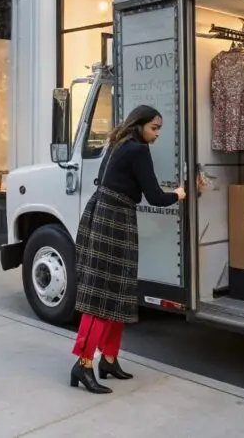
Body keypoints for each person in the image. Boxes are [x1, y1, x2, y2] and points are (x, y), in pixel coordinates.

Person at [69, 105, 186, 394]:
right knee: (101, 295)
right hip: (115, 220)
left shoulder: (119, 142)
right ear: (140, 126)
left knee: (116, 291)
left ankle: (108, 359)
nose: (157, 134)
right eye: (154, 128)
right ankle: (83, 364)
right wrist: (181, 193)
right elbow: (156, 198)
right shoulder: (136, 149)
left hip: (106, 214)